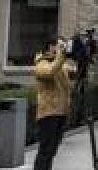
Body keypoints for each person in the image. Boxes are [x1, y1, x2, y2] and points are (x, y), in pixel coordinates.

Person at [32, 38, 73, 170]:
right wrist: (61, 57)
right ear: (50, 47)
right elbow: (49, 72)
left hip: (61, 112)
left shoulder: (59, 64)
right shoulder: (41, 62)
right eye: (59, 45)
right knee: (45, 150)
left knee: (52, 150)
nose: (61, 49)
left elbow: (71, 72)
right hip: (48, 113)